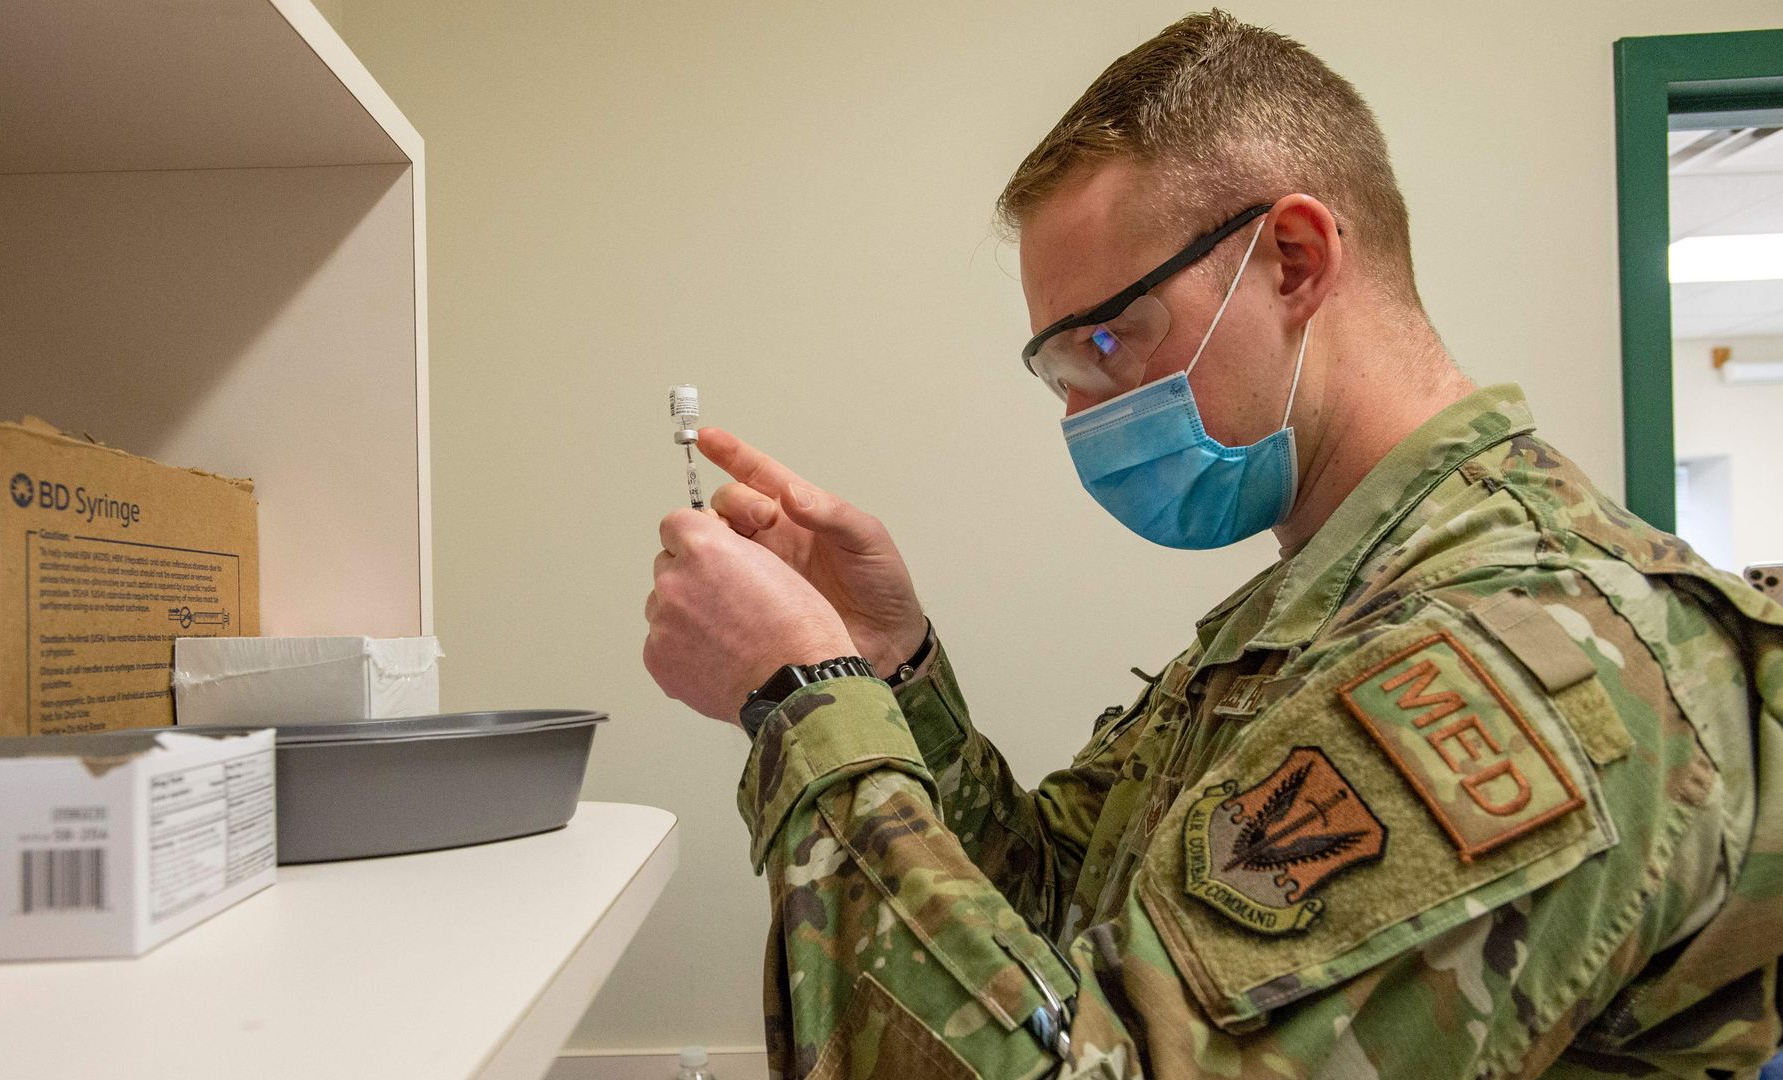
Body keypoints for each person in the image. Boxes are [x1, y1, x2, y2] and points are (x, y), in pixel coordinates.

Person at [641, 11, 1783, 1078]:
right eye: (1060, 371)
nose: (1084, 417)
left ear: (1292, 257)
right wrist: (886, 669)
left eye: (1108, 340)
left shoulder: (1527, 662)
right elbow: (1059, 921)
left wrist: (803, 697)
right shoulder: (1324, 606)